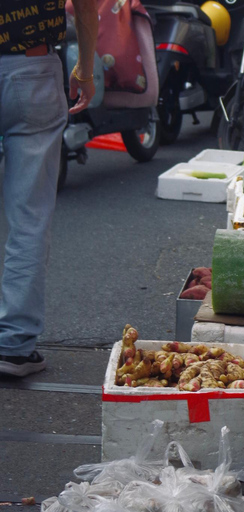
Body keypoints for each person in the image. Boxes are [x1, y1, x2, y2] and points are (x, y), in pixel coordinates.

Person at [0, 0, 98, 377]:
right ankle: (13, 346)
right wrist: (85, 70)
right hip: (32, 68)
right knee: (29, 218)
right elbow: (88, 6)